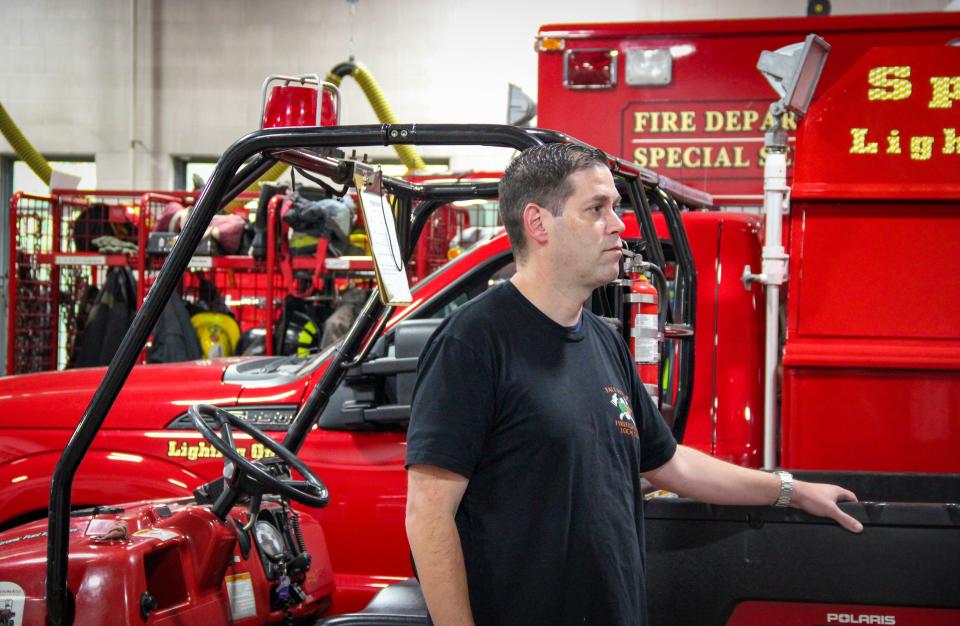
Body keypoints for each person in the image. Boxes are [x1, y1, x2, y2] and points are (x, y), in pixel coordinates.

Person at [404, 143, 862, 626]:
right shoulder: (474, 342)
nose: (619, 224)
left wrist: (789, 490)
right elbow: (429, 515)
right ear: (538, 223)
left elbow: (669, 462)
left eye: (616, 207)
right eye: (597, 209)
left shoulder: (603, 339)